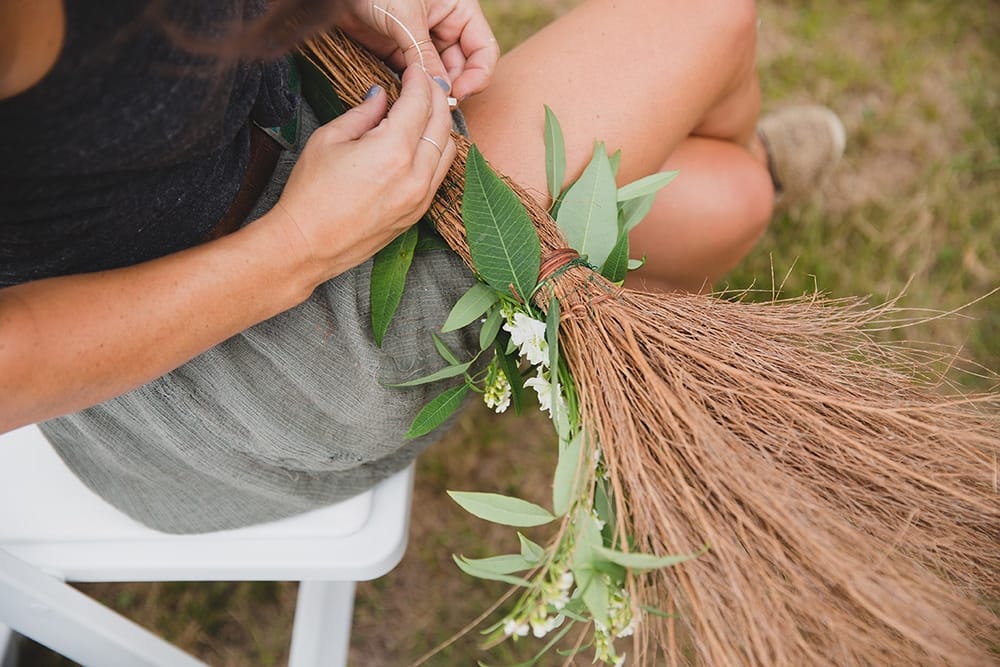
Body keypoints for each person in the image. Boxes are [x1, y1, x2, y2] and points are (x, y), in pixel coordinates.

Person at [0, 0, 843, 532]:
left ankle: (625, 276)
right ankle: (623, 244)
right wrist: (300, 248)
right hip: (224, 352)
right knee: (713, 18)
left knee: (735, 197)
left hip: (273, 127)